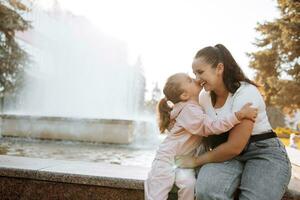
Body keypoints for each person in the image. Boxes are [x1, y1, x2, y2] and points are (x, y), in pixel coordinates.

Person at [176, 44, 291, 200]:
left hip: (262, 151)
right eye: (195, 74)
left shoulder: (246, 93)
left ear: (219, 68)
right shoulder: (204, 97)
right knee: (207, 192)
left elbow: (235, 146)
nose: (197, 79)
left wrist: (195, 161)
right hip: (225, 153)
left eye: (200, 72)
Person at [144, 73, 258, 200]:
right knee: (157, 191)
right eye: (190, 80)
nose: (196, 79)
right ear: (184, 95)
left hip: (181, 161)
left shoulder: (193, 107)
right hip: (165, 160)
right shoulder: (189, 110)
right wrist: (239, 115)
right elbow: (210, 127)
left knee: (189, 184)